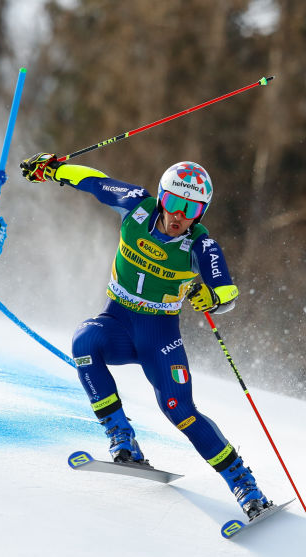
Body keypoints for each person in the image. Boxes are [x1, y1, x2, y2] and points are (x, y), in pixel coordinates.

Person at [20, 153, 272, 520]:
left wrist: (213, 299)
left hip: (160, 337)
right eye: (173, 202)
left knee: (179, 411)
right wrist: (54, 170)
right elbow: (93, 180)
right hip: (118, 324)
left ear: (201, 213)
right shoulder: (137, 205)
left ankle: (245, 487)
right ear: (161, 197)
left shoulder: (201, 245)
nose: (178, 216)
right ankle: (122, 439)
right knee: (84, 342)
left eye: (191, 209)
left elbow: (229, 292)